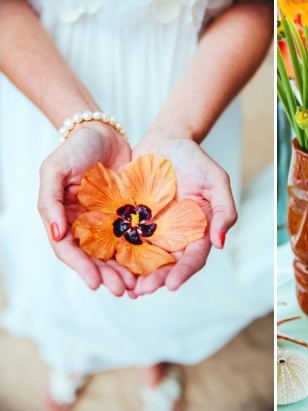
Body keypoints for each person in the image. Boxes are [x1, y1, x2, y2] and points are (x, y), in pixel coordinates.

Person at [0, 0, 274, 410]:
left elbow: (258, 8)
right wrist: (81, 122)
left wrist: (178, 129)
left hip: (188, 90)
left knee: (162, 286)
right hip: (50, 81)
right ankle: (71, 354)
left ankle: (149, 350)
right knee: (57, 266)